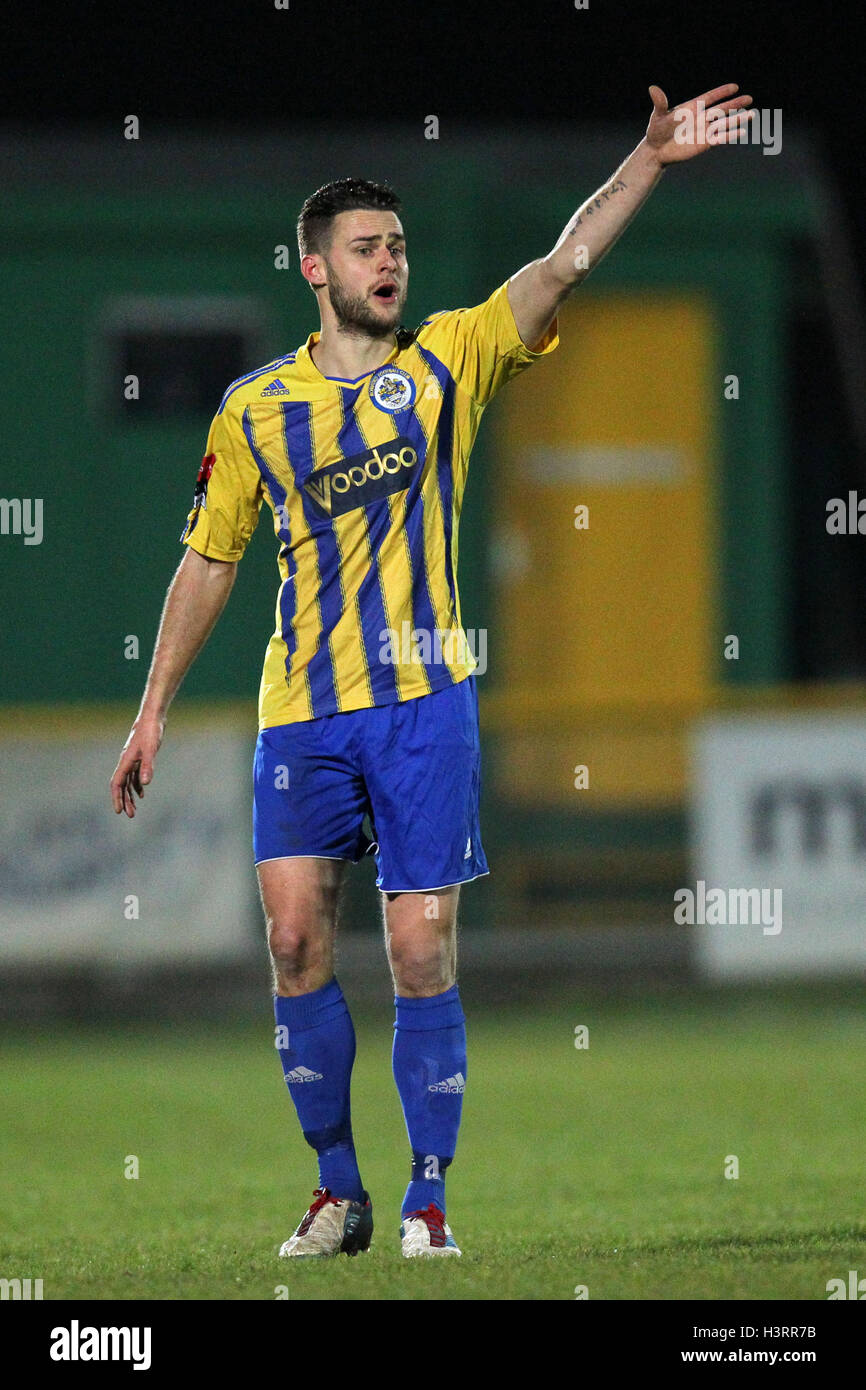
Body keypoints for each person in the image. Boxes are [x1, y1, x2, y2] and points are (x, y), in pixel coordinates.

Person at [110, 84, 753, 1259]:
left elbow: (561, 263)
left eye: (396, 245)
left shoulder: (450, 357)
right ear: (316, 270)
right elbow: (206, 563)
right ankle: (335, 1192)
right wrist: (151, 710)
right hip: (300, 713)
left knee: (417, 947)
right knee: (297, 941)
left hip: (422, 702)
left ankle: (426, 1202)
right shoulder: (256, 412)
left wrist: (648, 160)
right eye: (365, 249)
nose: (388, 262)